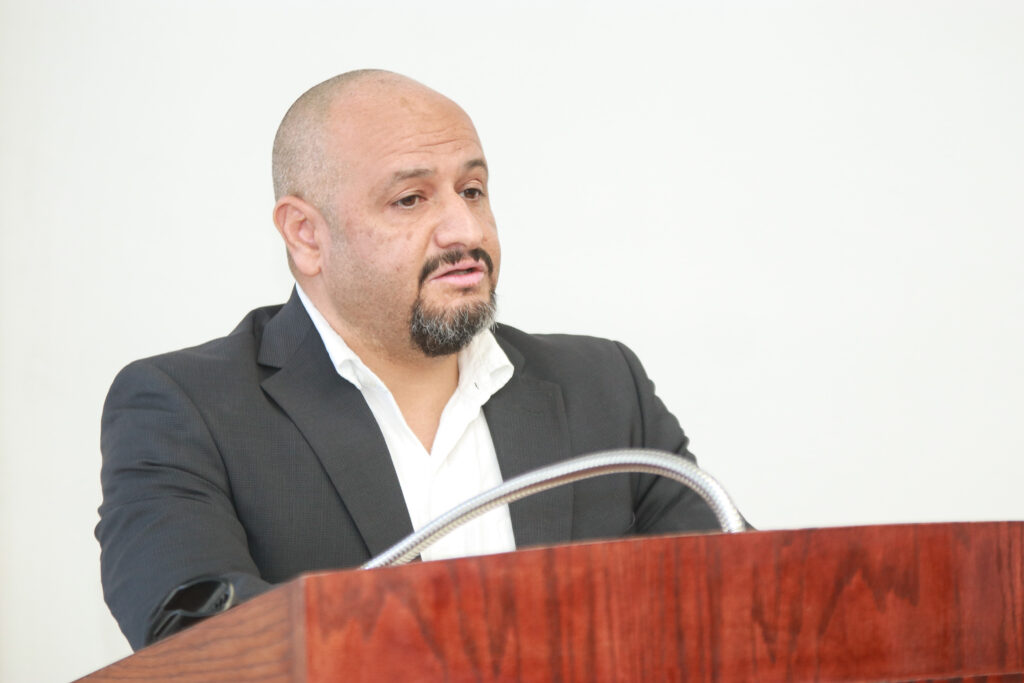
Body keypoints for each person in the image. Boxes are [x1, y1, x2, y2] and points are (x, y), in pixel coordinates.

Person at [96, 69, 722, 651]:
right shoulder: (186, 407)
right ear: (306, 235)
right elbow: (197, 639)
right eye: (410, 200)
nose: (464, 230)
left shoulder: (604, 386)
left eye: (472, 191)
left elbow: (733, 602)